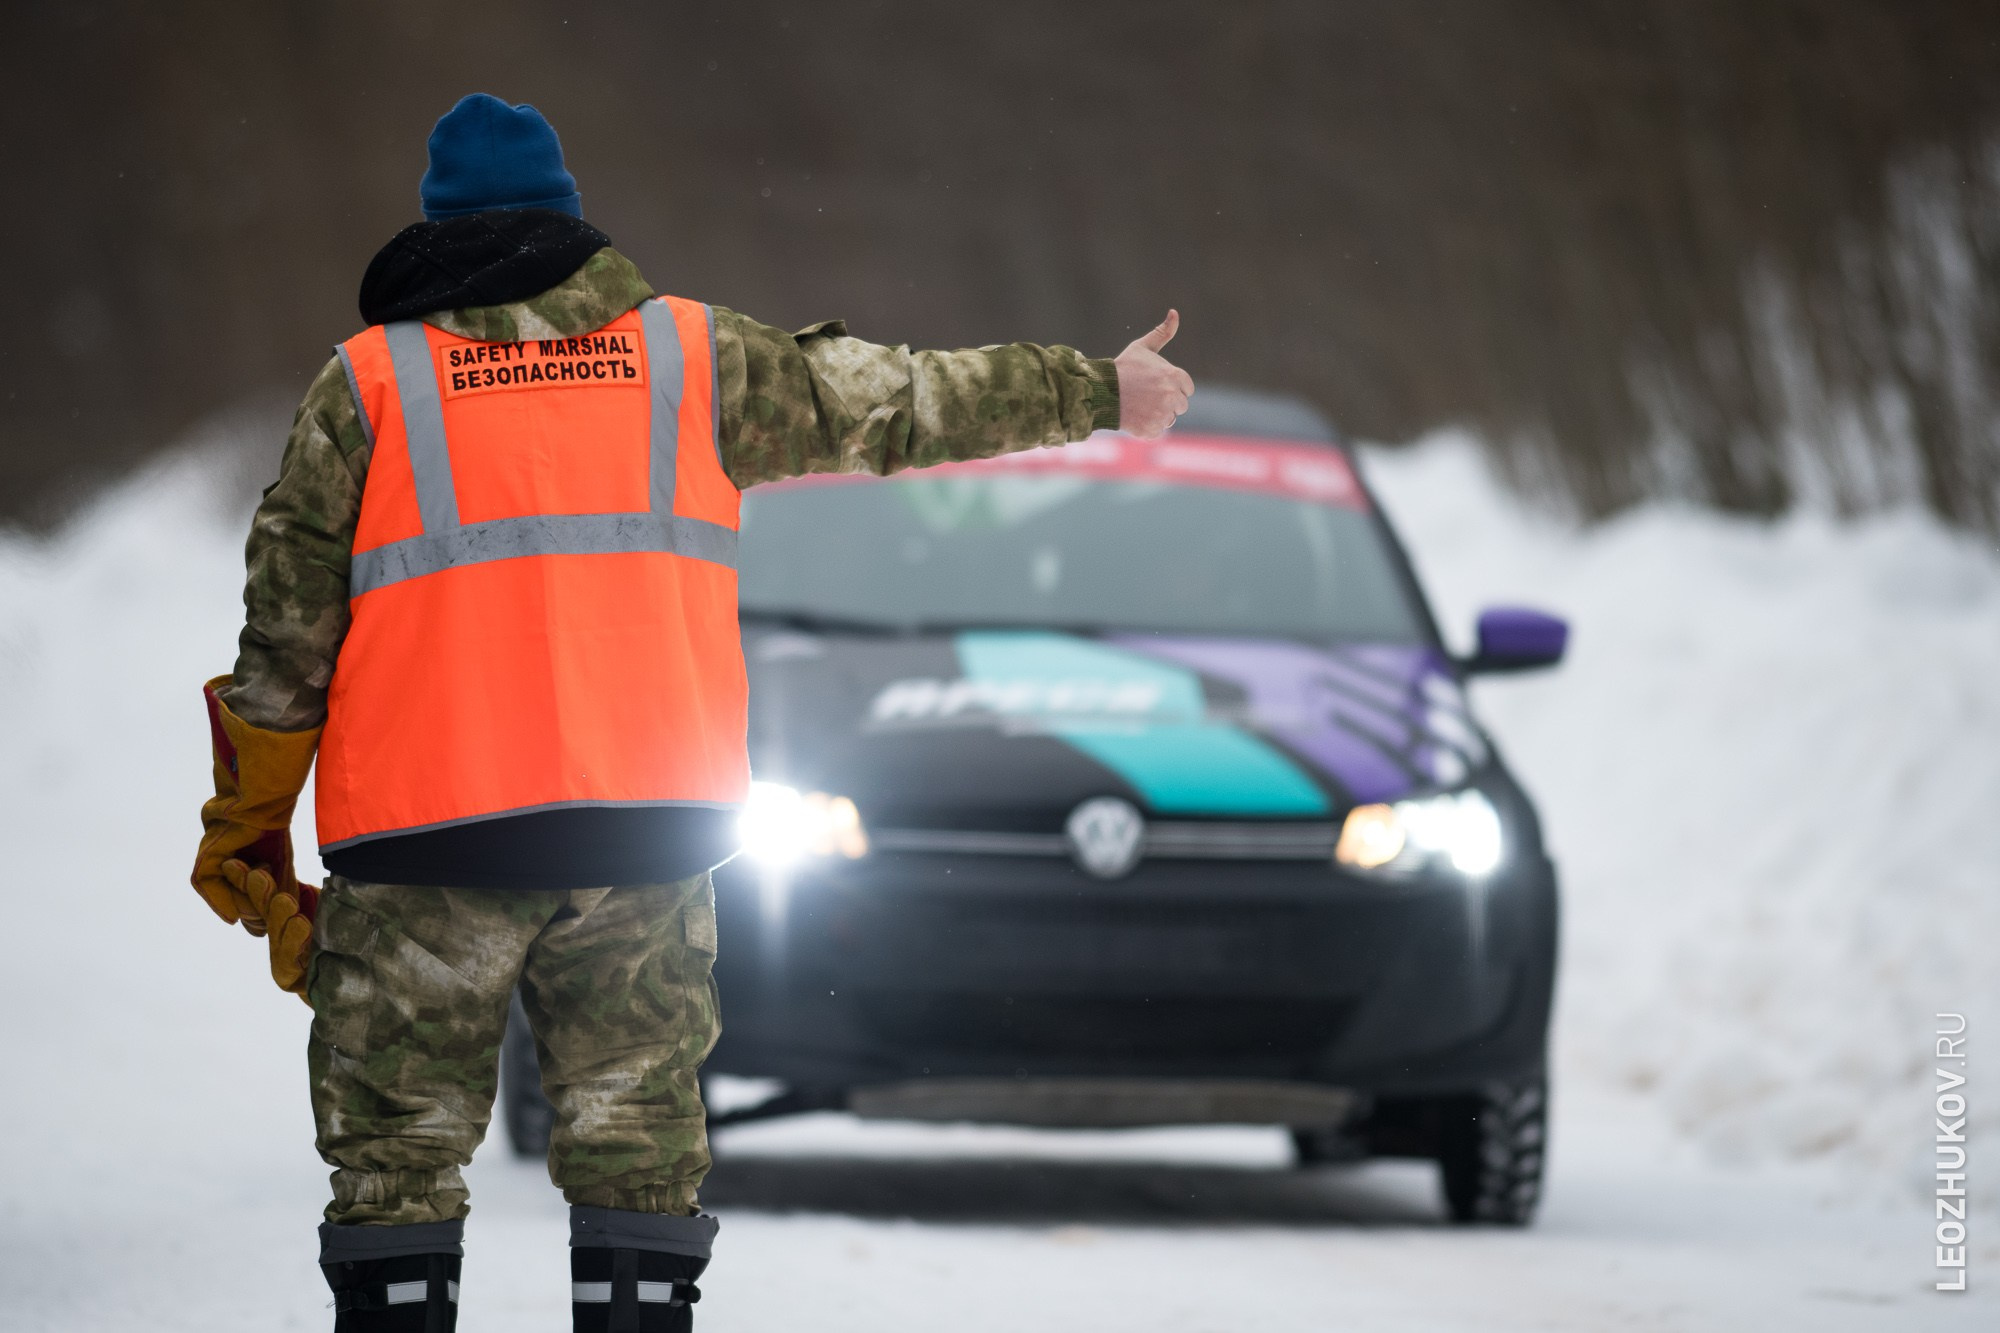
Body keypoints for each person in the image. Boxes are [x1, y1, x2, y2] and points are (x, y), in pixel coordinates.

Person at [190, 93, 1193, 1332]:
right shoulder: (688, 360)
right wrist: (1094, 387)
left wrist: (246, 824)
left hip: (423, 853)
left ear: (434, 228)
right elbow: (897, 401)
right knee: (636, 1164)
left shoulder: (370, 385)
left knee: (394, 1165)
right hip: (641, 843)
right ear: (569, 223)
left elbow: (284, 631)